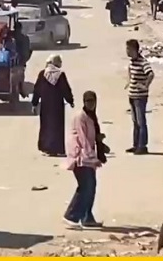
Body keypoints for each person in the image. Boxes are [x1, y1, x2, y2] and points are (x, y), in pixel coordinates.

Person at [63, 90, 103, 229]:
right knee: (86, 186)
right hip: (80, 156)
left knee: (90, 187)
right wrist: (92, 157)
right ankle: (71, 216)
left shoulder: (91, 117)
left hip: (87, 157)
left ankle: (87, 217)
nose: (90, 104)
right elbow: (82, 139)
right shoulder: (80, 117)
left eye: (92, 101)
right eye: (88, 101)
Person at [31, 55, 74, 156]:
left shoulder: (43, 74)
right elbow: (65, 89)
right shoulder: (60, 75)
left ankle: (46, 148)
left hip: (45, 106)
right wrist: (70, 100)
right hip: (57, 106)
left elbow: (37, 90)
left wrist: (34, 103)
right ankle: (56, 149)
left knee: (46, 126)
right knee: (57, 127)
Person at [125, 39, 154, 155]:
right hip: (132, 95)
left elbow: (151, 74)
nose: (127, 51)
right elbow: (130, 72)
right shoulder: (132, 62)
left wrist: (145, 85)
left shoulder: (143, 62)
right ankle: (136, 144)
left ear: (134, 49)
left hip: (140, 96)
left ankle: (142, 146)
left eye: (128, 49)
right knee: (135, 121)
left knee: (141, 122)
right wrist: (129, 82)